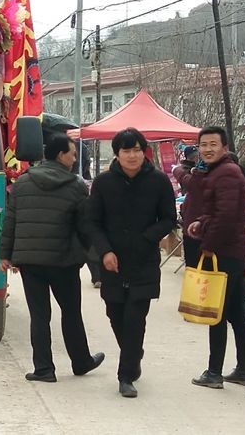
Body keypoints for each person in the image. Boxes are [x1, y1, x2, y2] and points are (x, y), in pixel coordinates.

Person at [0, 133, 104, 383]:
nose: (75, 159)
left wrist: (4, 254)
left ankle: (44, 369)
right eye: (73, 154)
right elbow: (85, 225)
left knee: (39, 316)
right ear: (60, 155)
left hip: (30, 262)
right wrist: (88, 254)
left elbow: (10, 221)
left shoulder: (22, 182)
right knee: (71, 312)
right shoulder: (76, 186)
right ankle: (81, 361)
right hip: (64, 261)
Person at [81, 127, 177, 399]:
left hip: (144, 260)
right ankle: (133, 353)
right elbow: (92, 222)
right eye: (127, 150)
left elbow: (169, 219)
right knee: (115, 314)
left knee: (135, 317)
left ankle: (126, 376)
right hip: (112, 261)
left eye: (137, 150)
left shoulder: (158, 181)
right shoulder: (103, 183)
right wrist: (104, 251)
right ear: (117, 154)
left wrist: (147, 238)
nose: (132, 155)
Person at [185, 126, 245, 389]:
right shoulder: (220, 171)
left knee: (217, 314)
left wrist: (208, 245)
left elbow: (226, 218)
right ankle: (244, 370)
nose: (207, 149)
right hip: (234, 251)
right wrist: (202, 223)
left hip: (225, 253)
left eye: (213, 144)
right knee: (236, 313)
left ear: (225, 148)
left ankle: (214, 372)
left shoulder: (226, 173)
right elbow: (220, 212)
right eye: (203, 145)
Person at [172, 145, 202, 269]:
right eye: (193, 156)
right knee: (193, 266)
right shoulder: (188, 169)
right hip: (191, 220)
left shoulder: (206, 169)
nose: (196, 158)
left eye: (196, 155)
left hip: (200, 225)